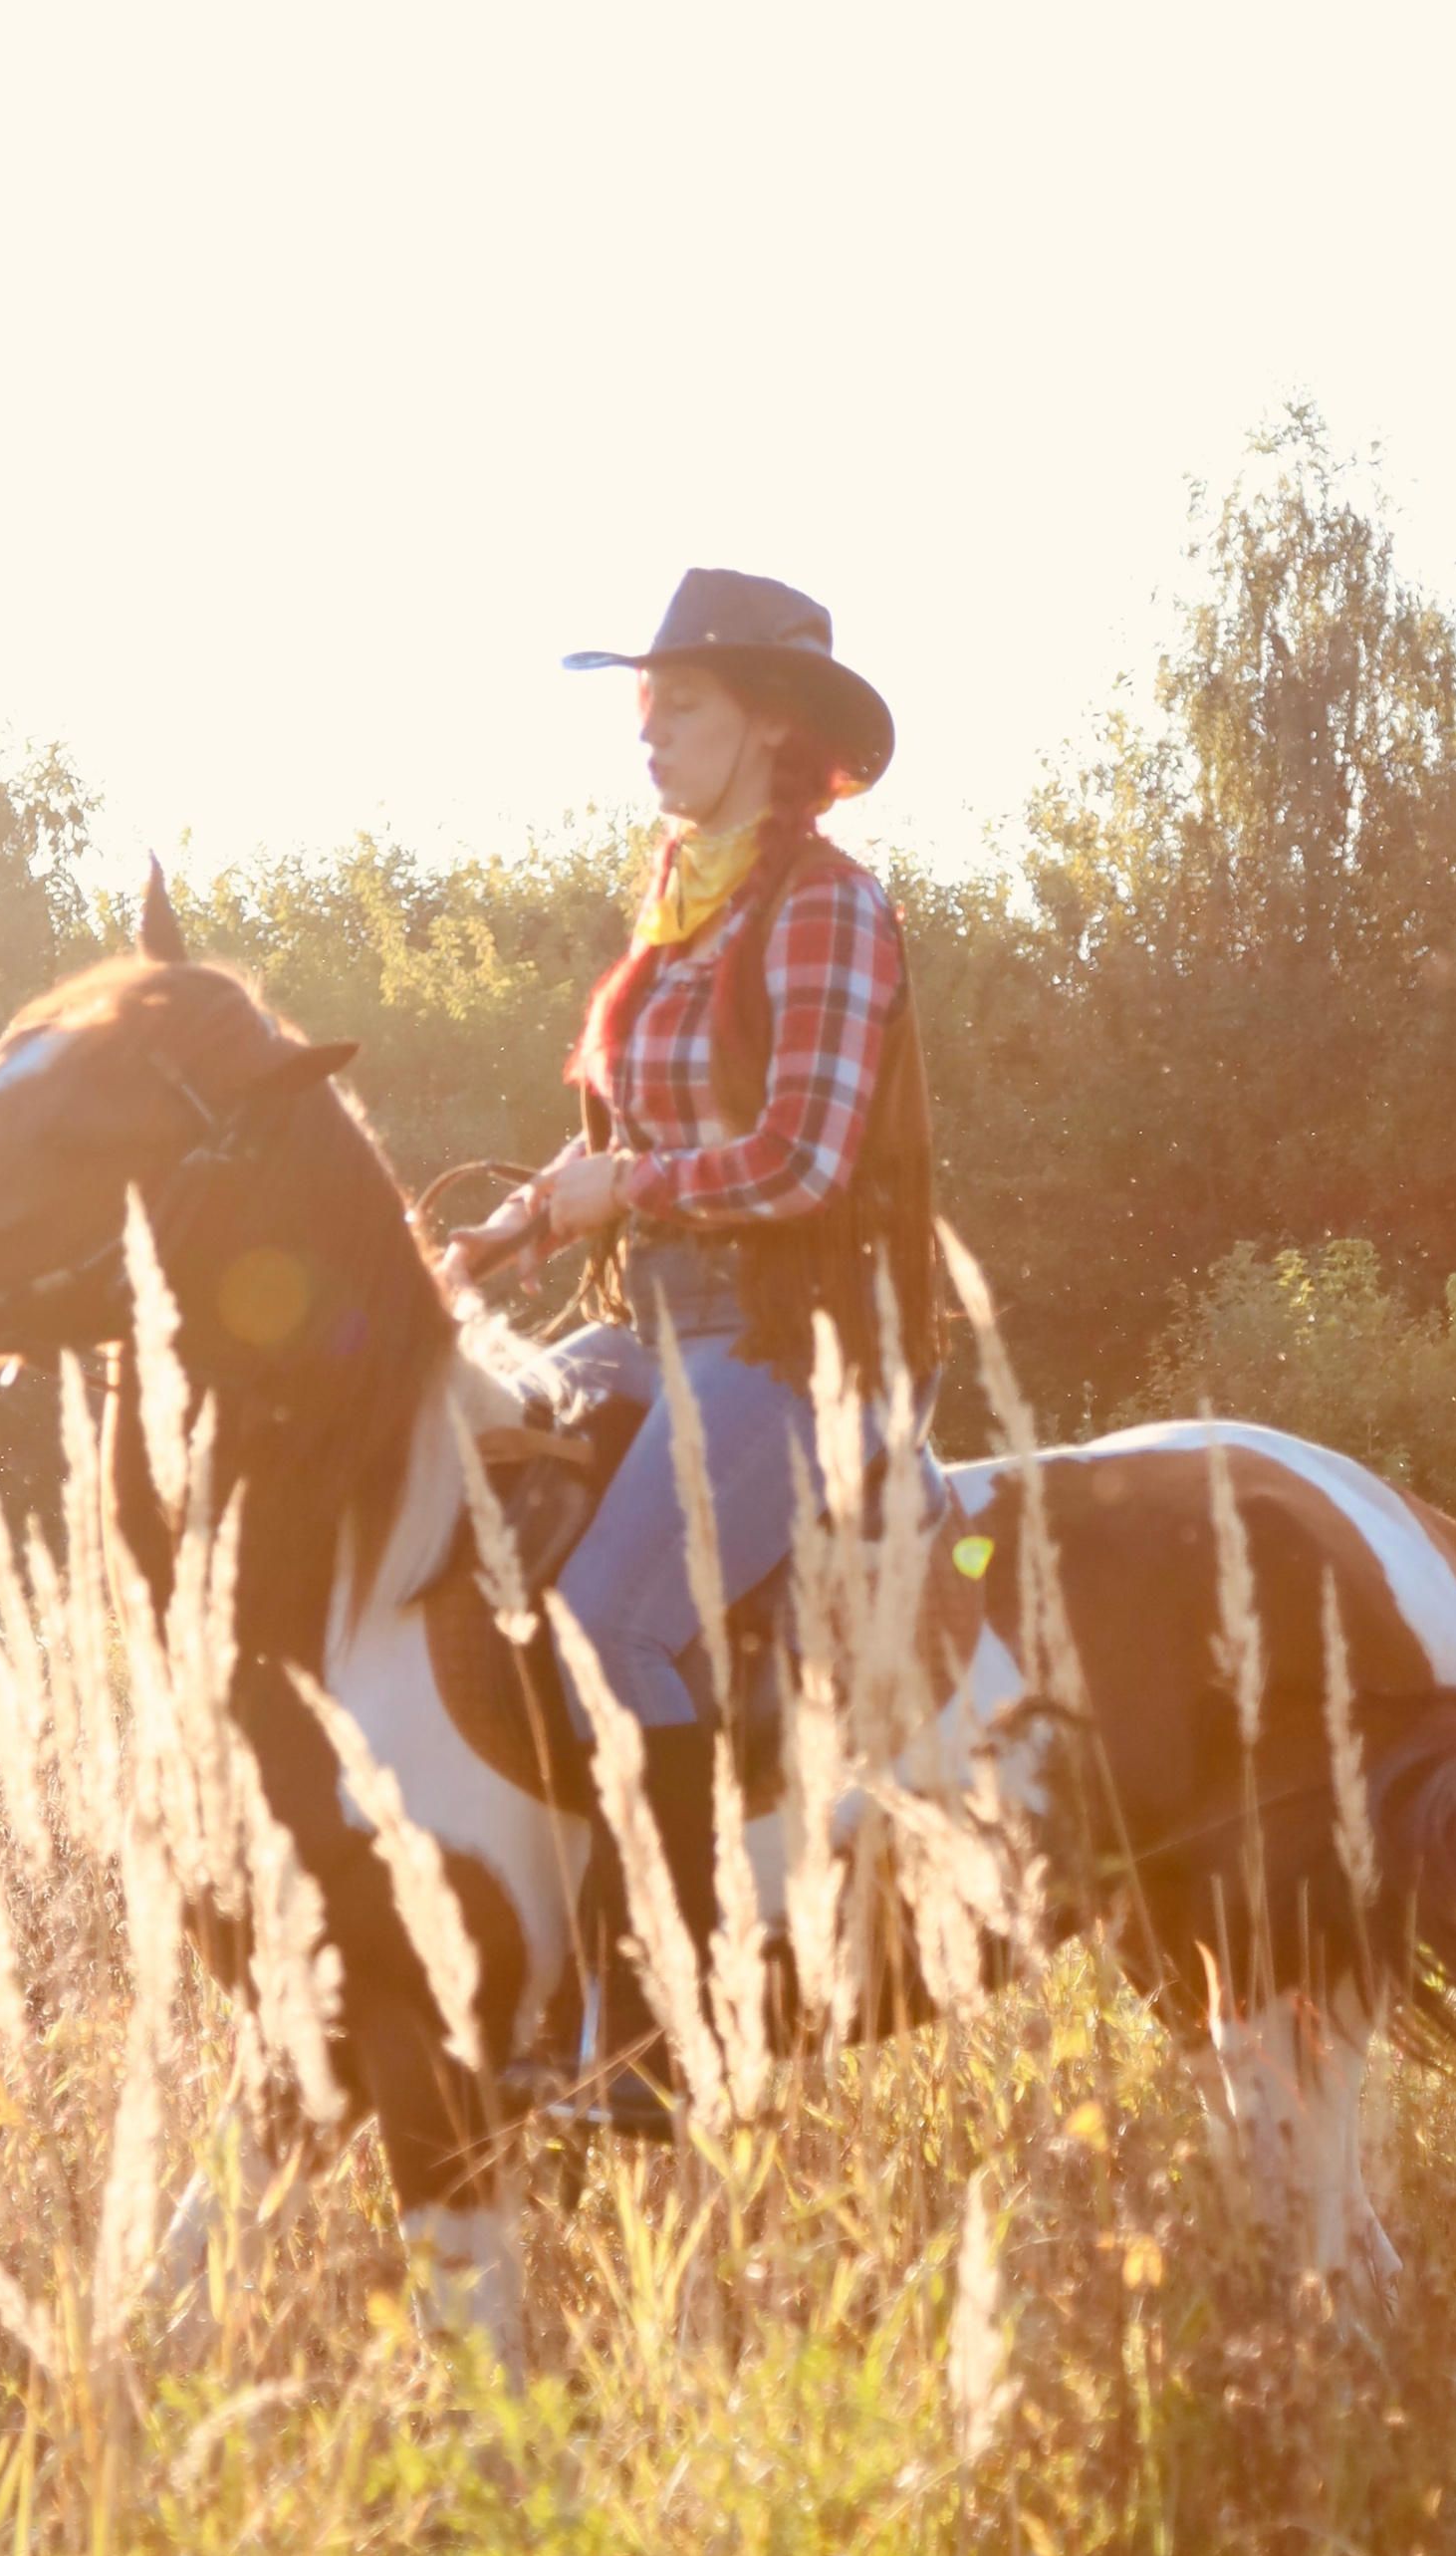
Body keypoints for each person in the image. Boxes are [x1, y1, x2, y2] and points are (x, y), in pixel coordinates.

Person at [445, 569, 941, 2130]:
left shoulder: (831, 907)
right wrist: (499, 1232)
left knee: (604, 1618)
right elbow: (619, 1143)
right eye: (644, 703)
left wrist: (628, 1186)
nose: (649, 729)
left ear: (773, 726)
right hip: (638, 1325)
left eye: (687, 705)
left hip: (792, 1340)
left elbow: (803, 1157)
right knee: (460, 1496)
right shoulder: (679, 903)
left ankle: (653, 2042)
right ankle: (509, 1962)